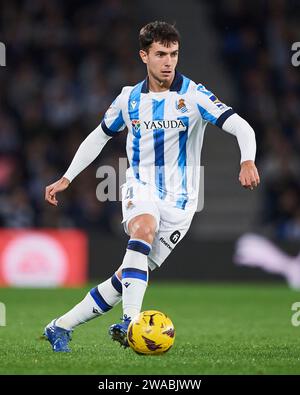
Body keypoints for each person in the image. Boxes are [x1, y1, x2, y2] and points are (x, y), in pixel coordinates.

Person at [44, 21, 260, 352]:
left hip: (183, 204)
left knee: (124, 278)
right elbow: (99, 136)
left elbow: (241, 126)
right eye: (160, 54)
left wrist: (247, 160)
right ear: (144, 56)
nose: (168, 61)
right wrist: (67, 177)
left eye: (173, 54)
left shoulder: (194, 95)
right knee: (142, 230)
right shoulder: (128, 99)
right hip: (140, 186)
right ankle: (132, 322)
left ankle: (60, 326)